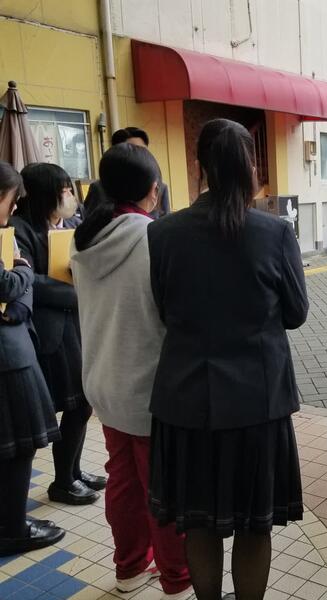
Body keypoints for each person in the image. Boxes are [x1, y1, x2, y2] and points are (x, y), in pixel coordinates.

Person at [147, 118, 307, 600]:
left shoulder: (163, 233)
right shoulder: (275, 233)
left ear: (200, 166)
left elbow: (164, 309)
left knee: (198, 522)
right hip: (258, 404)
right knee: (254, 524)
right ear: (249, 168)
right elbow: (296, 313)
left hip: (185, 400)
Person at [71, 144, 191, 599]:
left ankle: (129, 568)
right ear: (154, 190)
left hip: (103, 382)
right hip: (148, 388)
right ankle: (177, 578)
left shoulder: (84, 239)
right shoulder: (155, 237)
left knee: (122, 481)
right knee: (164, 490)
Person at [11, 163, 104, 506]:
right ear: (43, 194)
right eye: (62, 190)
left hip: (80, 327)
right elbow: (30, 281)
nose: (69, 196)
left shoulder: (74, 223)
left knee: (83, 402)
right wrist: (80, 293)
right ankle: (64, 480)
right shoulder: (20, 229)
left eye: (69, 189)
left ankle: (73, 472)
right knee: (73, 403)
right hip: (49, 333)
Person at [0, 161, 65, 556]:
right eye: (10, 199)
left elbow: (15, 293)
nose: (12, 208)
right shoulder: (10, 236)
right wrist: (22, 271)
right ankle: (12, 528)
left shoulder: (6, 235)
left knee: (13, 445)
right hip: (8, 358)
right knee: (18, 445)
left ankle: (9, 521)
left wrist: (18, 295)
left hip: (14, 343)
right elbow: (8, 281)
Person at [83, 127, 170, 219]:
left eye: (143, 151)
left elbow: (167, 222)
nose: (140, 156)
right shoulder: (99, 189)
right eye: (133, 150)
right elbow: (89, 221)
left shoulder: (159, 188)